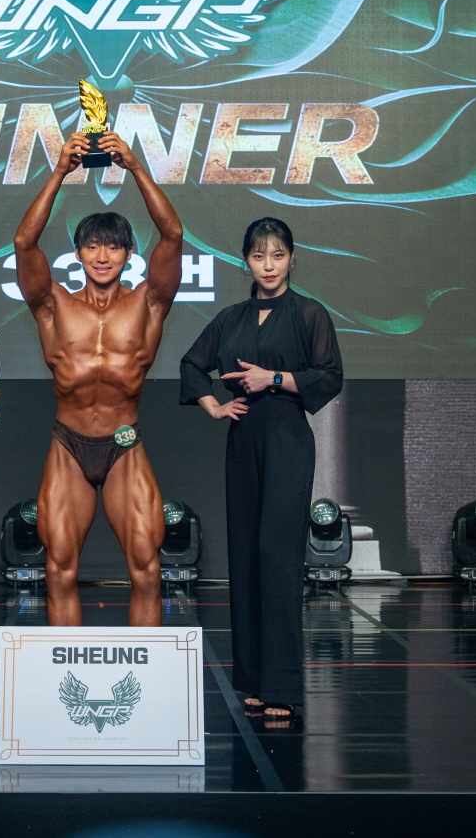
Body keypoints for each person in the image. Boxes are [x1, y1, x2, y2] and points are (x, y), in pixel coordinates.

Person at [14, 130, 182, 627]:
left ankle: (145, 673)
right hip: (68, 445)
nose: (102, 256)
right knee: (59, 569)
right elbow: (24, 242)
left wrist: (134, 167)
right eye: (92, 247)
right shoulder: (53, 306)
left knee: (147, 570)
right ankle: (66, 670)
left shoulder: (149, 303)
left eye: (113, 247)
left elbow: (173, 236)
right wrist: (60, 171)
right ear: (77, 253)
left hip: (124, 442)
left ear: (129, 253)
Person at [180, 217, 342, 724]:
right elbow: (191, 364)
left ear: (292, 258)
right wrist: (213, 405)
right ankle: (251, 681)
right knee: (246, 557)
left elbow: (330, 376)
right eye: (258, 256)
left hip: (287, 438)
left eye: (277, 255)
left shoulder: (309, 313)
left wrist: (273, 378)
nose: (268, 266)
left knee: (278, 556)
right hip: (243, 438)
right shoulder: (230, 318)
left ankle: (282, 686)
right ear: (245, 261)